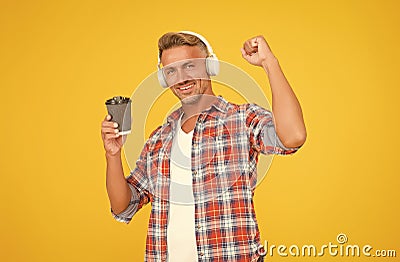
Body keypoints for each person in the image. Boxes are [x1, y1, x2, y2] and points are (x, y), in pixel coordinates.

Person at [101, 31, 306, 262]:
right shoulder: (159, 139)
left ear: (211, 66)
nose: (181, 78)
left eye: (190, 66)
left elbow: (293, 136)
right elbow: (123, 206)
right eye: (171, 71)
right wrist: (113, 154)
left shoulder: (241, 119)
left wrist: (270, 63)